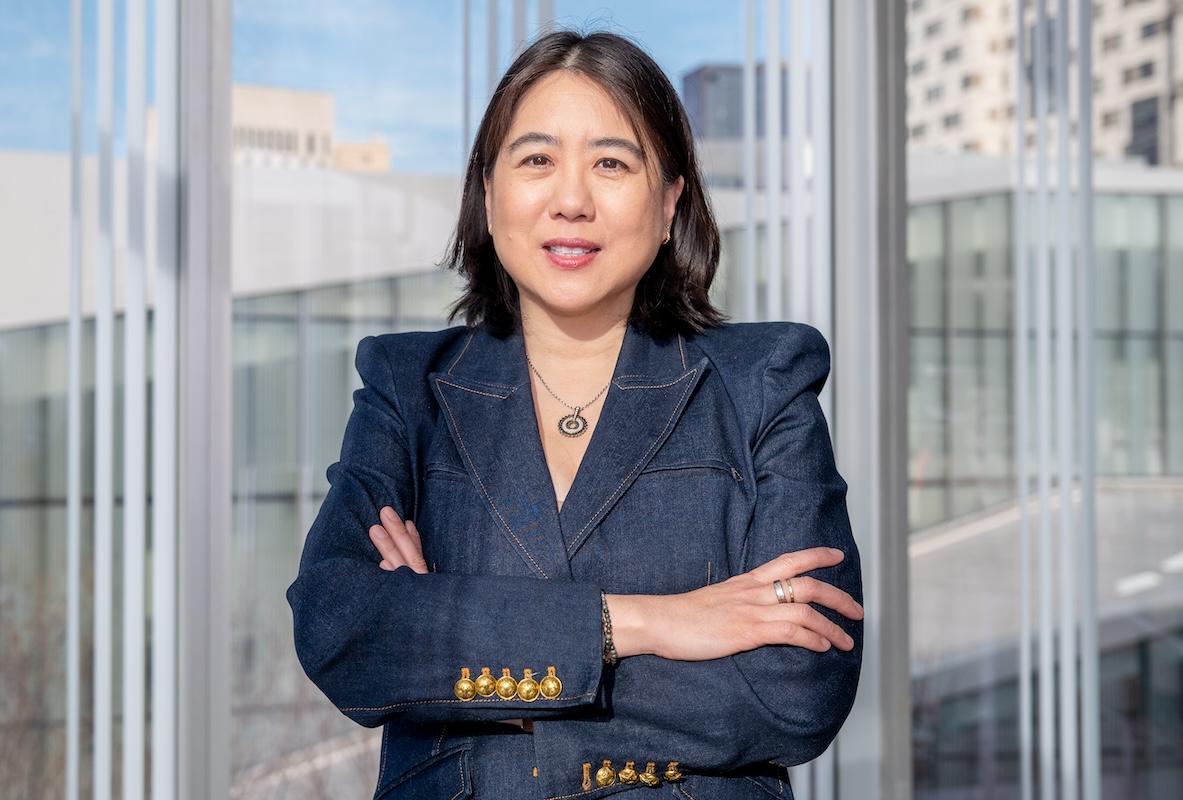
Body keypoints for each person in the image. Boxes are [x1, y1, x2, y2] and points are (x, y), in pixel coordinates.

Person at [288, 29, 864, 800]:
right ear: (488, 197)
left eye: (611, 163)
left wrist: (461, 659)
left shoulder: (763, 384)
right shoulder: (407, 388)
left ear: (668, 205)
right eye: (536, 160)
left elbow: (795, 693)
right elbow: (340, 627)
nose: (571, 199)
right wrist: (640, 624)